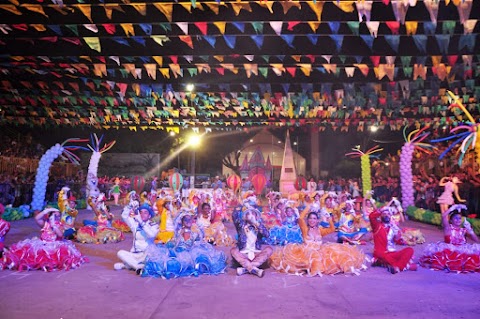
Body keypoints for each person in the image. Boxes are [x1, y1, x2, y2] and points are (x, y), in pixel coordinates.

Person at [270, 203, 367, 276]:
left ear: (317, 220)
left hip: (320, 253)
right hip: (306, 253)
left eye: (314, 219)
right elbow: (300, 218)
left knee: (339, 258)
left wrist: (329, 219)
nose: (312, 220)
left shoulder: (320, 230)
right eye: (310, 218)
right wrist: (308, 207)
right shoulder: (305, 229)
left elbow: (332, 229)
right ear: (308, 220)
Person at [141, 209, 227, 279]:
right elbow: (174, 242)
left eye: (190, 219)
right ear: (182, 222)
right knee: (166, 262)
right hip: (177, 253)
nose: (188, 221)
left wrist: (197, 222)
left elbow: (201, 237)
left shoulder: (195, 233)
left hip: (189, 255)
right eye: (185, 219)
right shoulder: (178, 232)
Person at [0, 207, 88, 271]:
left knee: (56, 256)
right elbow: (37, 218)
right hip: (42, 244)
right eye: (55, 215)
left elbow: (60, 235)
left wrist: (54, 225)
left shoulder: (59, 225)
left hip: (55, 245)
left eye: (58, 216)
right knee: (32, 254)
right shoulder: (45, 224)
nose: (57, 217)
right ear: (49, 216)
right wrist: (46, 211)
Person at [420, 204, 480, 272]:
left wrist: (470, 230)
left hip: (462, 249)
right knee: (449, 255)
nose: (458, 220)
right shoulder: (448, 228)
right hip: (449, 249)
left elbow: (476, 240)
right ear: (451, 220)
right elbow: (443, 216)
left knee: (475, 251)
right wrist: (452, 208)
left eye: (460, 218)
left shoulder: (463, 230)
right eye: (456, 218)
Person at [369, 207, 417, 274]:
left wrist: (401, 238)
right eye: (384, 214)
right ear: (380, 215)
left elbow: (397, 241)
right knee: (390, 258)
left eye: (388, 214)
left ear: (390, 216)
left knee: (410, 250)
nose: (386, 215)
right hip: (382, 254)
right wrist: (381, 209)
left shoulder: (393, 228)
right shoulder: (377, 226)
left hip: (392, 253)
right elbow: (371, 216)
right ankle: (403, 266)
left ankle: (396, 266)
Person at [114, 204, 159, 274]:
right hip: (134, 254)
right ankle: (137, 267)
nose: (142, 214)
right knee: (120, 253)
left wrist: (141, 222)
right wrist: (129, 206)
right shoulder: (135, 225)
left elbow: (151, 235)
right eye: (141, 212)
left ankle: (128, 265)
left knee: (152, 254)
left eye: (145, 212)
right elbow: (124, 216)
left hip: (146, 255)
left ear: (149, 215)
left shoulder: (154, 226)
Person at [231, 206, 273, 277]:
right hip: (244, 254)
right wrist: (240, 206)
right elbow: (234, 215)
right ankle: (254, 269)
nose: (250, 215)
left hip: (256, 254)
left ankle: (246, 268)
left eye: (252, 213)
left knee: (269, 249)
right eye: (248, 213)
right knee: (233, 250)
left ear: (256, 216)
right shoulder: (241, 225)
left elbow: (267, 235)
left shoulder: (260, 226)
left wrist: (256, 224)